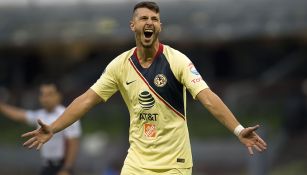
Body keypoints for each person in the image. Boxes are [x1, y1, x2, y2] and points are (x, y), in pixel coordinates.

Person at [22, 2, 267, 175]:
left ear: (159, 26)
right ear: (133, 25)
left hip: (175, 164)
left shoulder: (177, 61)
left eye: (154, 19)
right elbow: (86, 100)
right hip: (137, 163)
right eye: (143, 18)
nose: (149, 23)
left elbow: (208, 98)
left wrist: (237, 130)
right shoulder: (120, 65)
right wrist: (53, 128)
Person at [0, 82, 81, 175]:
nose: (46, 98)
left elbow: (73, 143)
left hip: (62, 166)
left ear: (59, 96)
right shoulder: (40, 115)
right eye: (43, 95)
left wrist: (67, 168)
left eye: (50, 94)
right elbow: (19, 115)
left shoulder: (67, 115)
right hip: (47, 165)